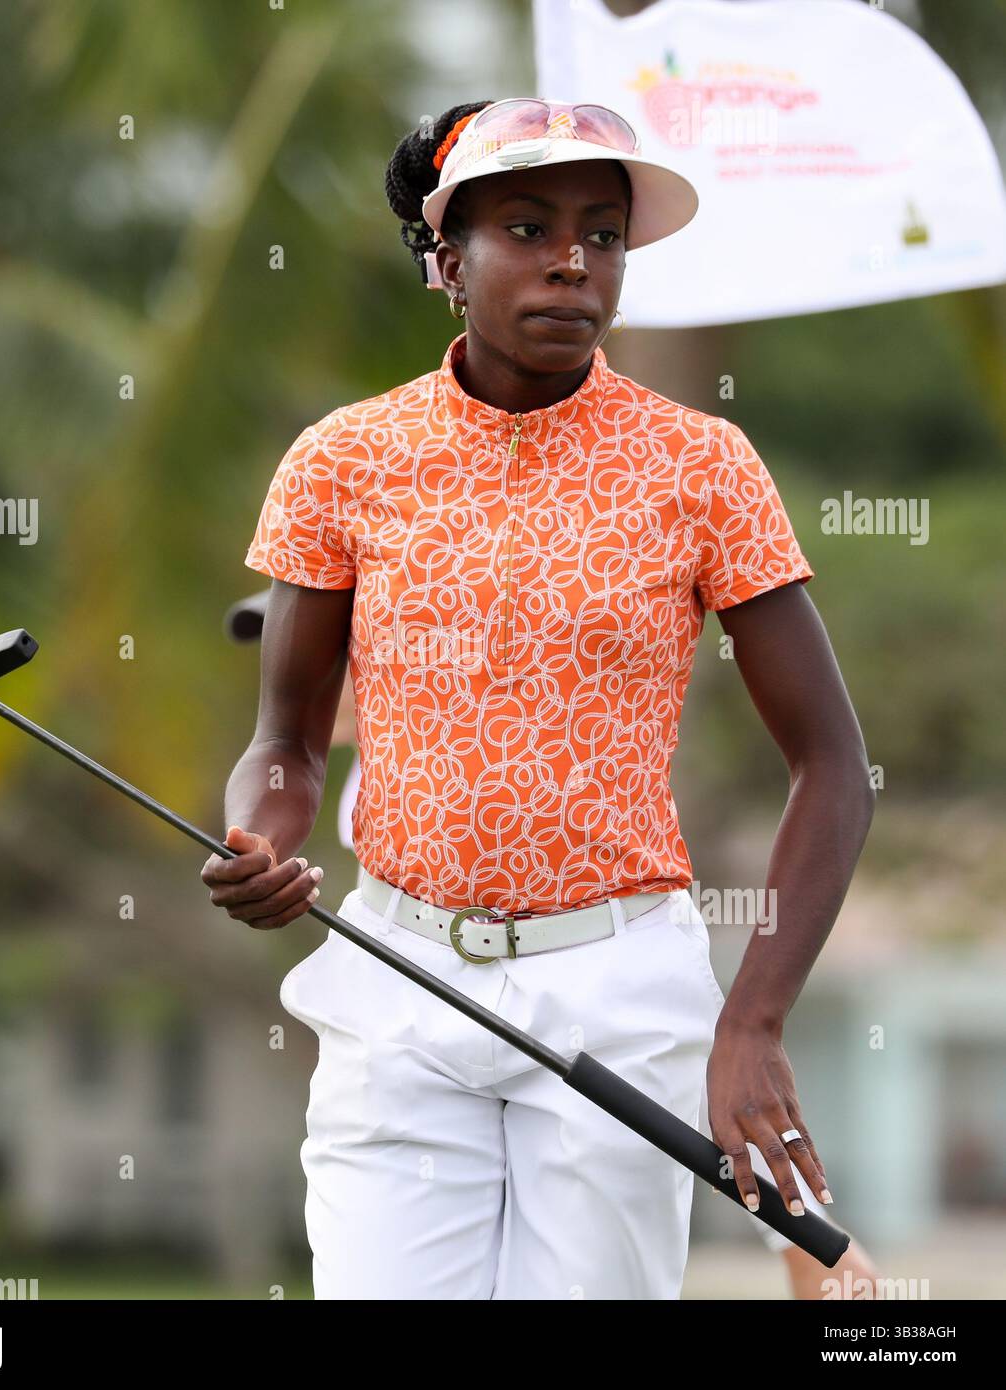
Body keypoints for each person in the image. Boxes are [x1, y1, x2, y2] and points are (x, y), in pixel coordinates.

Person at [202, 98, 876, 1300]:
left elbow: (832, 766)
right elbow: (288, 745)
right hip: (398, 982)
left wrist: (753, 1022)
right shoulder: (342, 460)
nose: (575, 259)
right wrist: (261, 838)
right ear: (446, 263)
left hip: (619, 992)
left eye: (603, 234)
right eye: (528, 225)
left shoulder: (702, 466)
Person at [224, 589, 880, 1298]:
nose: (325, 668)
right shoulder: (376, 792)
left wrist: (791, 1226)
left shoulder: (506, 775)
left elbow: (666, 1049)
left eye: (347, 648)